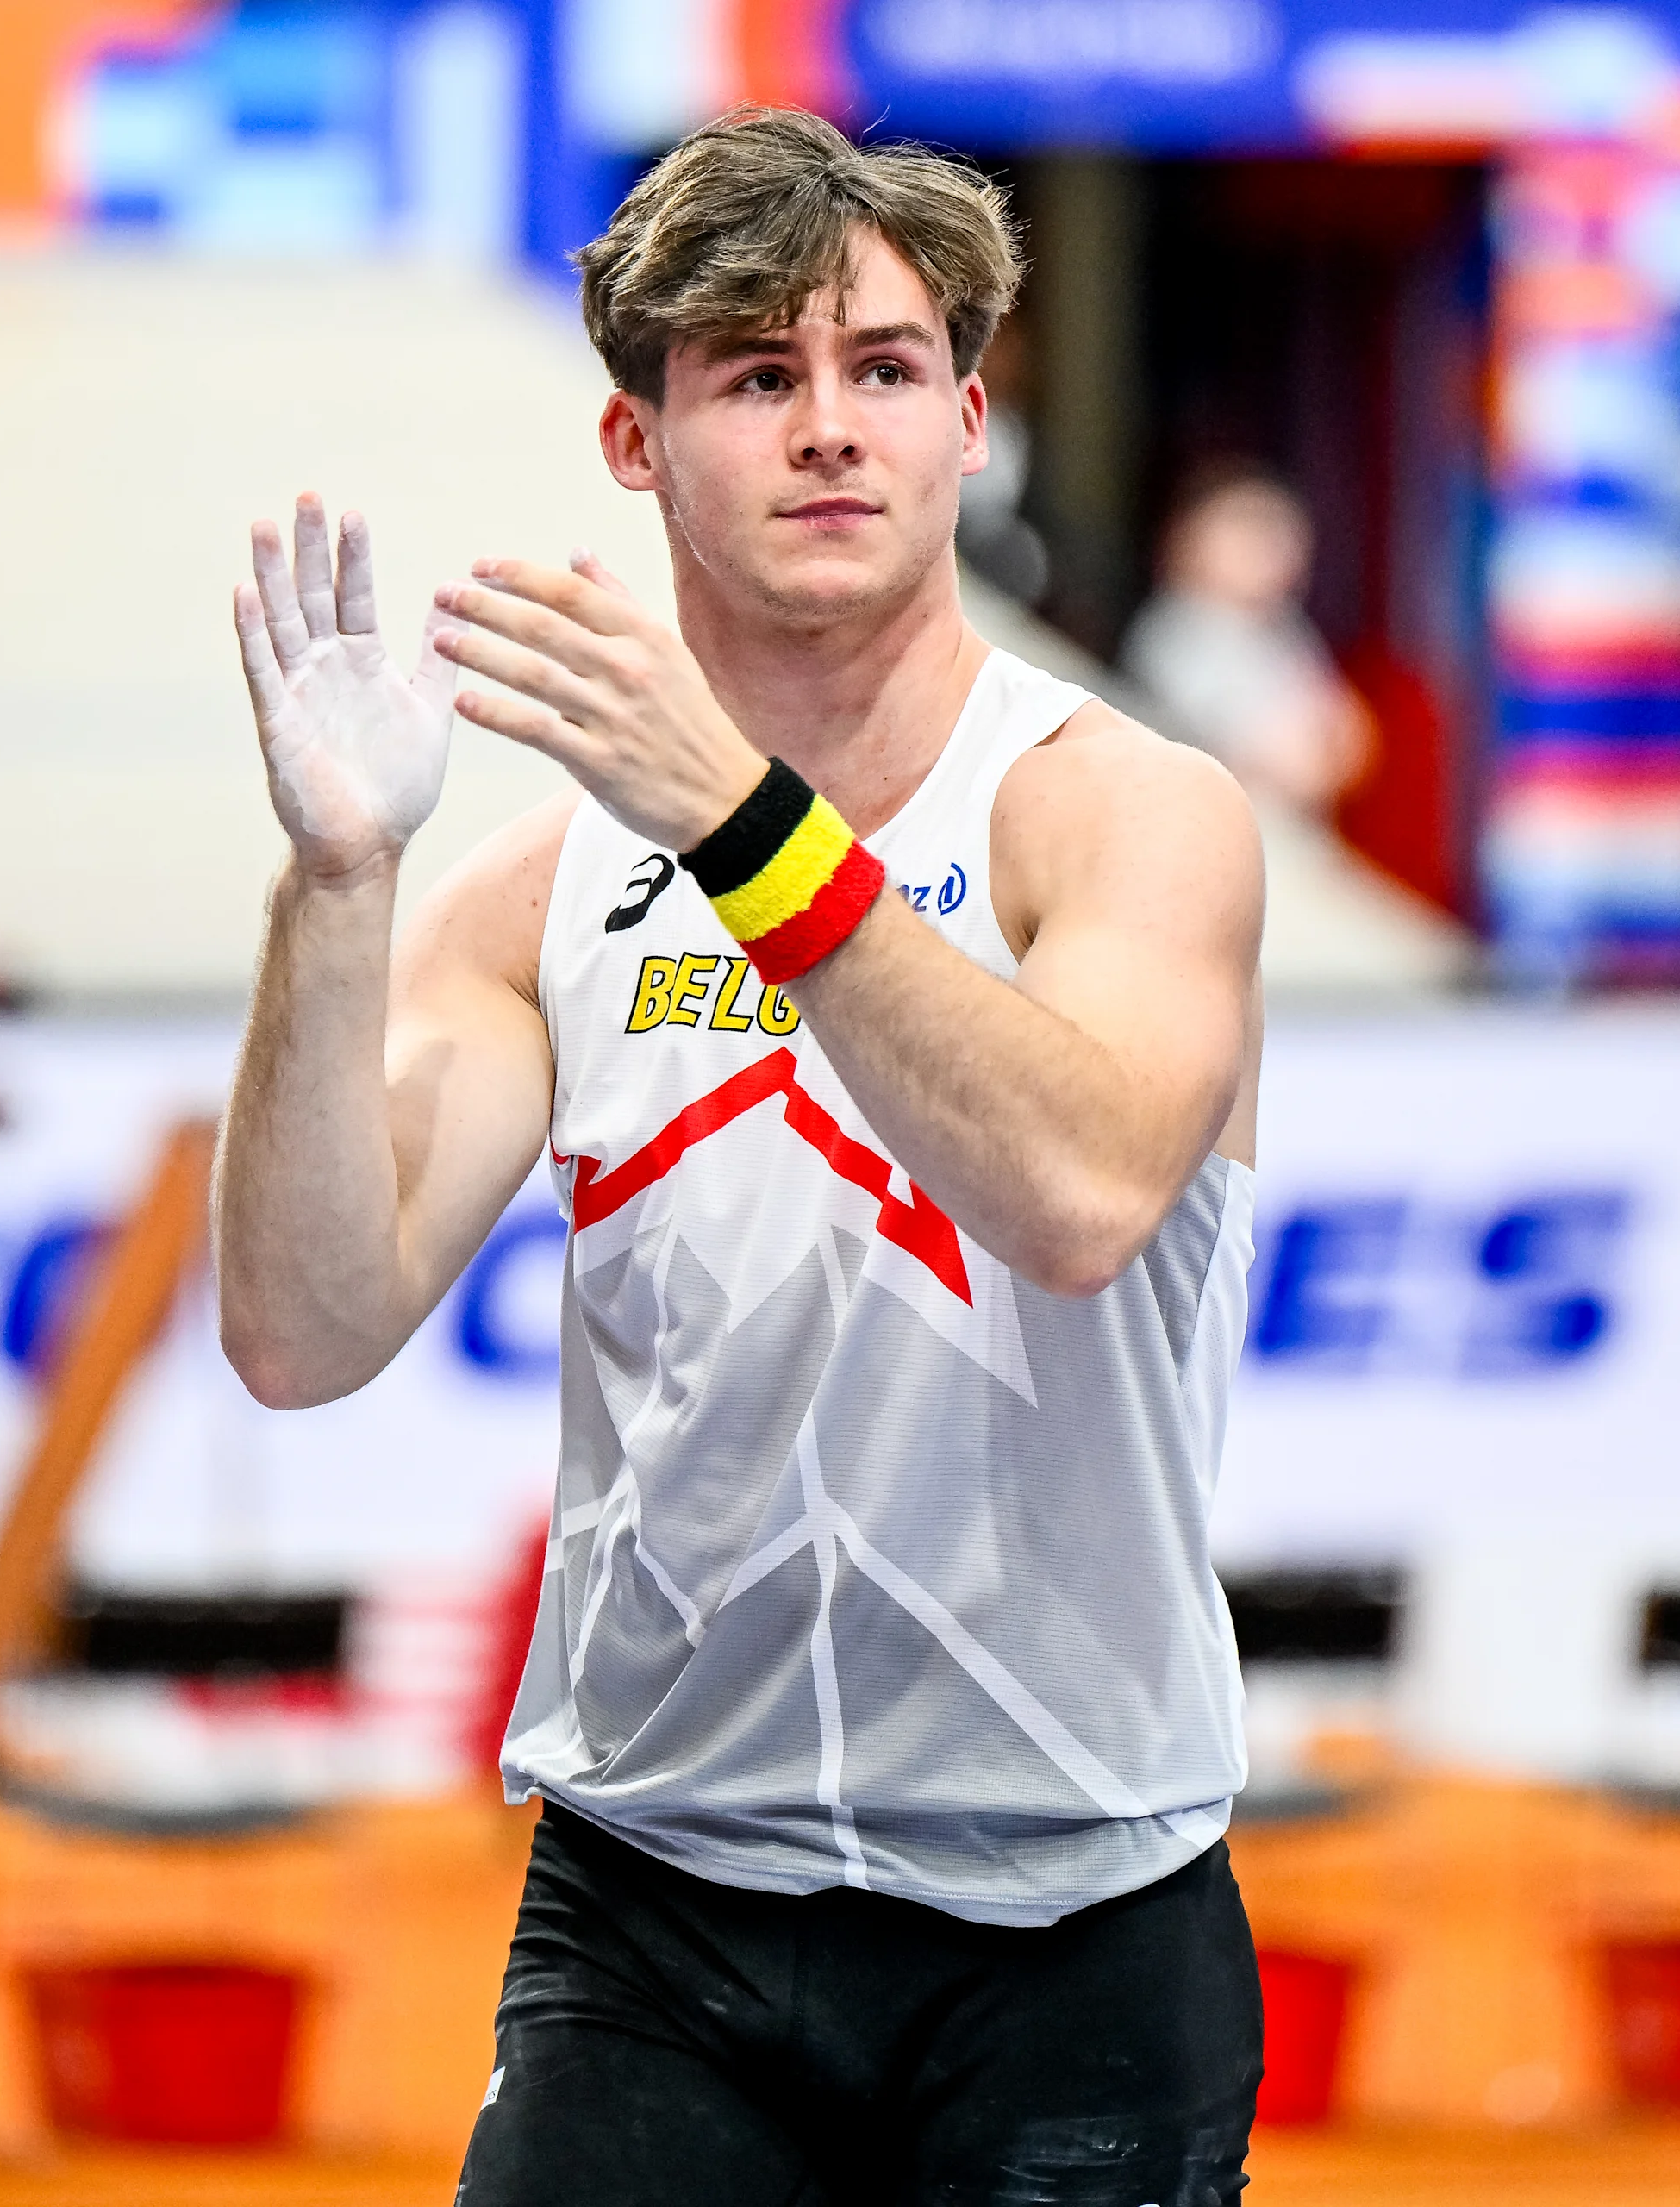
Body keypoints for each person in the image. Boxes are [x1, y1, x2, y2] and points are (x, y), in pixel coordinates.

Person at [213, 106, 1269, 2207]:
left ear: (970, 423)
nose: (829, 429)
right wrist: (334, 887)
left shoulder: (1122, 814)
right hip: (658, 1900)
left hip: (1068, 1905)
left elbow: (1073, 1196)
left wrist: (738, 820)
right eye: (756, 376)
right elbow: (301, 1323)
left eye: (881, 370)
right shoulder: (537, 887)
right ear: (636, 444)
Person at [1121, 471, 1370, 819]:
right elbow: (1247, 747)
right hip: (1208, 819)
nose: (1270, 553)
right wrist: (1299, 754)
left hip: (1292, 827)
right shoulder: (1178, 628)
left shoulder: (1287, 632)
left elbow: (1351, 738)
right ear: (1189, 536)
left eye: (1281, 538)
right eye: (1250, 532)